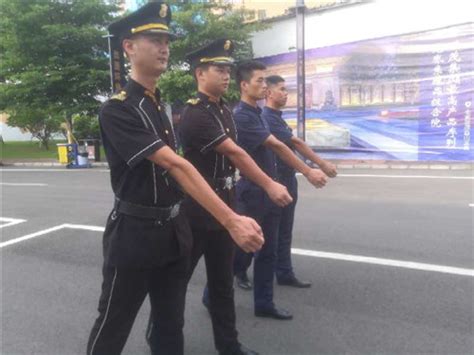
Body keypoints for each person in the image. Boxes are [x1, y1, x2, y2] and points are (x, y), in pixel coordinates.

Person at [86, 4, 263, 355]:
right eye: (154, 39)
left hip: (173, 233)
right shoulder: (118, 108)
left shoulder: (158, 106)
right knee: (113, 327)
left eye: (166, 40)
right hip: (134, 236)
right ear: (129, 47)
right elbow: (176, 166)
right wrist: (231, 220)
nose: (164, 47)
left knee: (170, 328)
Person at [146, 39, 292, 355]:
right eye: (219, 70)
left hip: (225, 202)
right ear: (200, 73)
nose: (226, 76)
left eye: (228, 70)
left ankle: (229, 347)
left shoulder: (223, 109)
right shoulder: (195, 113)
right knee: (177, 282)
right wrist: (269, 184)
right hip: (197, 210)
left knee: (223, 284)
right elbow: (234, 152)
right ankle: (159, 334)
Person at [233, 61, 328, 320]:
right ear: (244, 85)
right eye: (259, 82)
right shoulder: (243, 115)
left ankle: (264, 303)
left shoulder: (256, 114)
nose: (265, 86)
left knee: (268, 250)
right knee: (245, 245)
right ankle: (217, 290)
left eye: (266, 82)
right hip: (255, 191)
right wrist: (310, 170)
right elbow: (279, 145)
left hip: (272, 189)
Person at [264, 75, 337, 288]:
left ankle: (284, 272)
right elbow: (292, 144)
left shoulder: (276, 117)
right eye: (282, 89)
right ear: (269, 93)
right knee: (269, 232)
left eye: (286, 89)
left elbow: (294, 143)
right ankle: (239, 269)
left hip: (287, 178)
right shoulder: (267, 118)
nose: (286, 93)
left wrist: (316, 166)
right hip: (275, 181)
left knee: (284, 230)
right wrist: (317, 166)